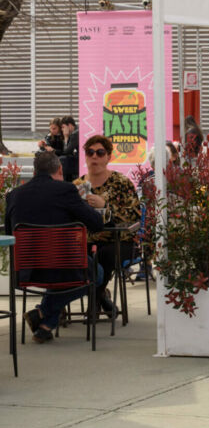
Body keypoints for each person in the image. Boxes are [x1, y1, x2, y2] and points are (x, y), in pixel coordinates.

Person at [4, 151, 105, 342]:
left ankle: (45, 326)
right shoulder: (66, 190)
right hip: (64, 268)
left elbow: (10, 233)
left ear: (34, 171)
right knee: (96, 273)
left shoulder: (14, 195)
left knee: (69, 270)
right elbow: (96, 224)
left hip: (28, 270)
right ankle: (42, 312)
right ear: (59, 169)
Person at [76, 135, 141, 316]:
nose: (94, 157)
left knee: (103, 255)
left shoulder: (122, 183)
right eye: (90, 153)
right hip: (87, 241)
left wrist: (105, 207)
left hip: (120, 241)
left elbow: (134, 216)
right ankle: (101, 296)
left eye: (100, 152)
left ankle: (94, 302)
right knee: (75, 255)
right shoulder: (78, 186)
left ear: (108, 157)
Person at [59, 116, 79, 181]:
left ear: (69, 125)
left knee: (62, 159)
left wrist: (66, 137)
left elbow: (66, 151)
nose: (62, 129)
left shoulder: (75, 134)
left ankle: (62, 182)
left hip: (80, 161)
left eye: (63, 127)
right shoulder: (77, 129)